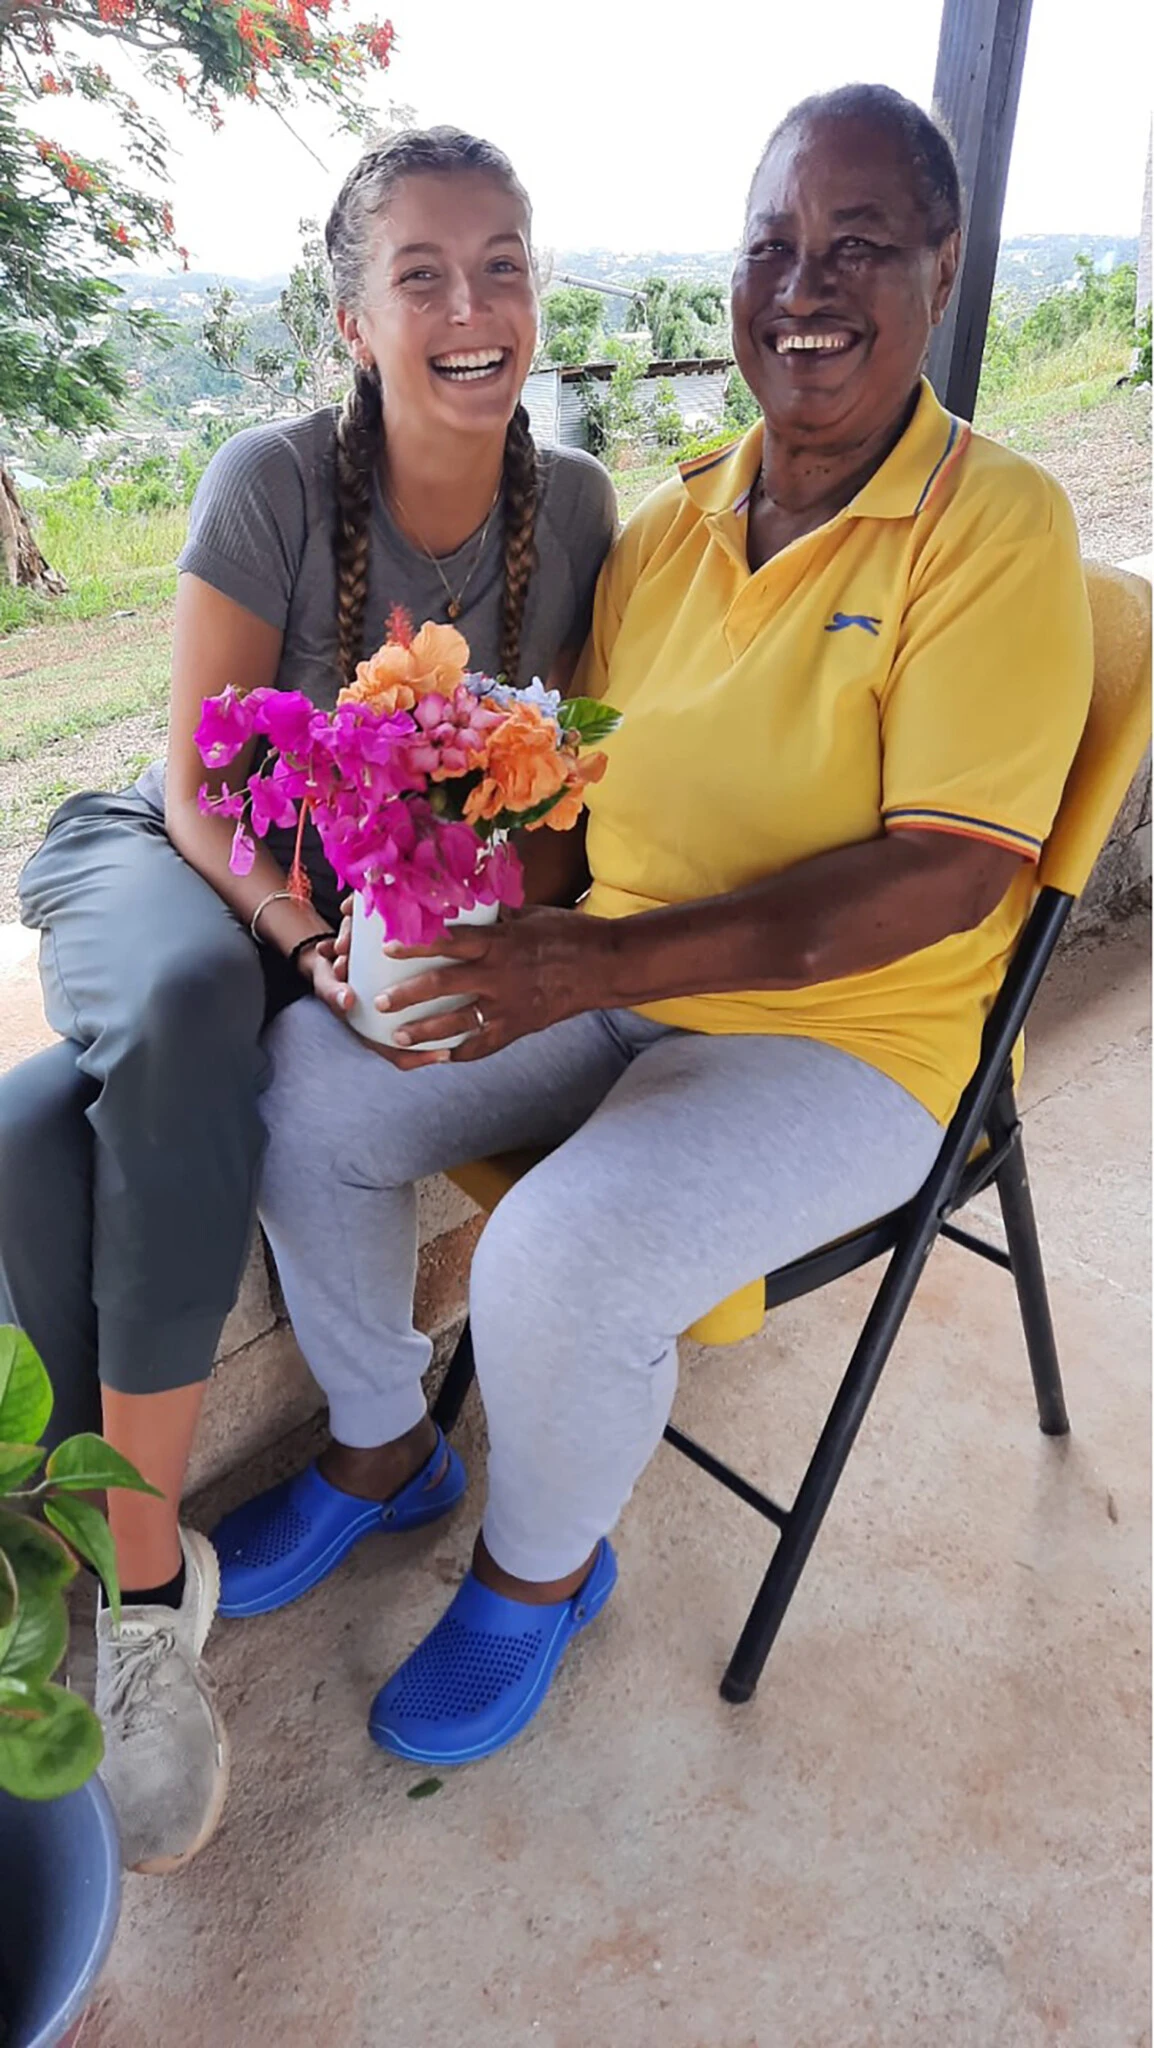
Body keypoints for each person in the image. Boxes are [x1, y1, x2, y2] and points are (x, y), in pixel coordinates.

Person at [217, 82, 1095, 1772]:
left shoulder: (994, 526)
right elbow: (574, 800)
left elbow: (949, 872)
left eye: (857, 247)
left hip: (849, 1043)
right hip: (622, 977)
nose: (805, 287)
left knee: (557, 1254)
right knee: (313, 1091)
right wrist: (471, 923)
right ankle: (388, 1439)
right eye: (772, 247)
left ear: (940, 265)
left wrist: (596, 964)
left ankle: (539, 1572)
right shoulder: (673, 519)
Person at [0, 127, 616, 1870]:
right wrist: (302, 934)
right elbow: (197, 787)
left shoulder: (567, 506)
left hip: (354, 919)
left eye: (500, 262)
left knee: (42, 1125)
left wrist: (473, 945)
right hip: (177, 866)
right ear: (353, 319)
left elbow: (547, 790)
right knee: (194, 1021)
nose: (471, 303)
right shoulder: (267, 483)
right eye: (420, 272)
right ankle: (134, 1602)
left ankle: (131, 1553)